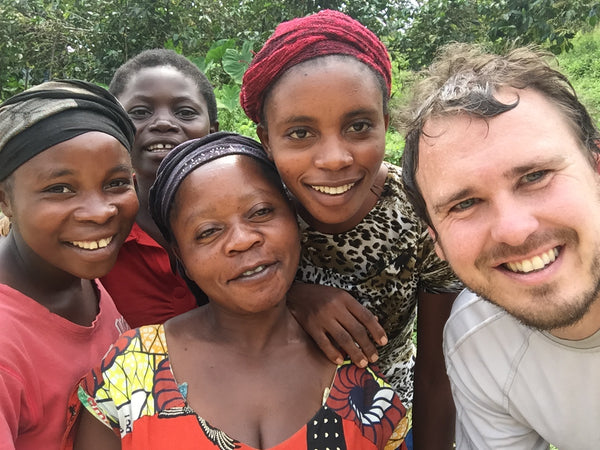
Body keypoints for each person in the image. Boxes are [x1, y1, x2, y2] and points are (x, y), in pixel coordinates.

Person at [70, 132, 409, 450]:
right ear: (181, 257)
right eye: (208, 232)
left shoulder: (362, 389)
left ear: (294, 221)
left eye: (261, 212)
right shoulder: (128, 373)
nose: (242, 240)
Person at [239, 10, 463, 449]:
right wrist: (291, 294)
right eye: (300, 133)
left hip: (388, 423)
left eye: (358, 126)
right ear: (266, 140)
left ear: (386, 122)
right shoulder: (253, 207)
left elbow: (437, 372)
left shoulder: (421, 212)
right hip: (270, 421)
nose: (335, 158)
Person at [400, 43, 600, 449]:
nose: (513, 230)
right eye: (465, 203)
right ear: (434, 239)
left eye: (536, 176)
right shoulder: (478, 342)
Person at [0, 80, 138, 449]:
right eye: (60, 188)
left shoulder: (75, 274)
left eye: (116, 183)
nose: (99, 212)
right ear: (5, 199)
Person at [100, 48, 219, 328]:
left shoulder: (256, 215)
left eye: (185, 112)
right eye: (140, 112)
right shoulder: (94, 228)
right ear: (115, 127)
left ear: (212, 132)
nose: (164, 123)